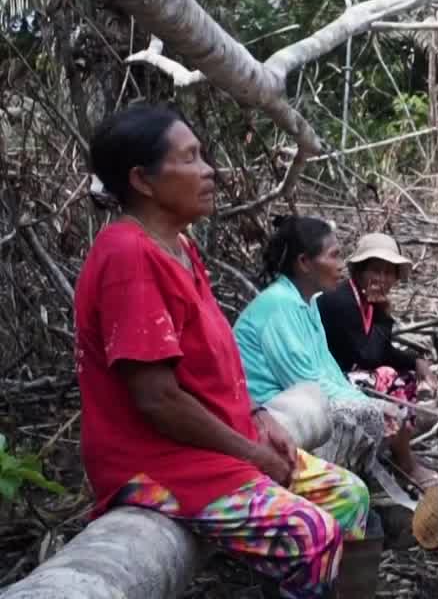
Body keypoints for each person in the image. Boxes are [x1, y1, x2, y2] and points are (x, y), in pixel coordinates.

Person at [75, 104, 368, 599]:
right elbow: (157, 400)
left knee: (347, 496)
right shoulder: (129, 256)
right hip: (158, 463)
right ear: (143, 181)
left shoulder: (179, 247)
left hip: (213, 445)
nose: (209, 169)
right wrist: (251, 453)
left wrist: (255, 414)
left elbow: (209, 359)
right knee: (311, 536)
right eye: (189, 159)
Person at [234, 218, 437, 488]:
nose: (341, 265)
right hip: (268, 419)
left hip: (299, 403)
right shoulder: (280, 306)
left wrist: (370, 404)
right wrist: (371, 406)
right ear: (305, 263)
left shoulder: (306, 303)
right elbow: (306, 385)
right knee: (371, 410)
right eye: (334, 256)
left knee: (376, 409)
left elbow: (327, 369)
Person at [317, 232, 438, 470]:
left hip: (347, 373)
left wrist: (417, 362)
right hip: (330, 380)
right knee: (390, 378)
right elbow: (370, 356)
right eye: (375, 271)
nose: (381, 279)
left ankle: (395, 450)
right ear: (360, 272)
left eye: (388, 272)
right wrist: (384, 315)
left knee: (407, 375)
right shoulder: (342, 301)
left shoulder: (365, 301)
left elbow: (382, 350)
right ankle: (404, 461)